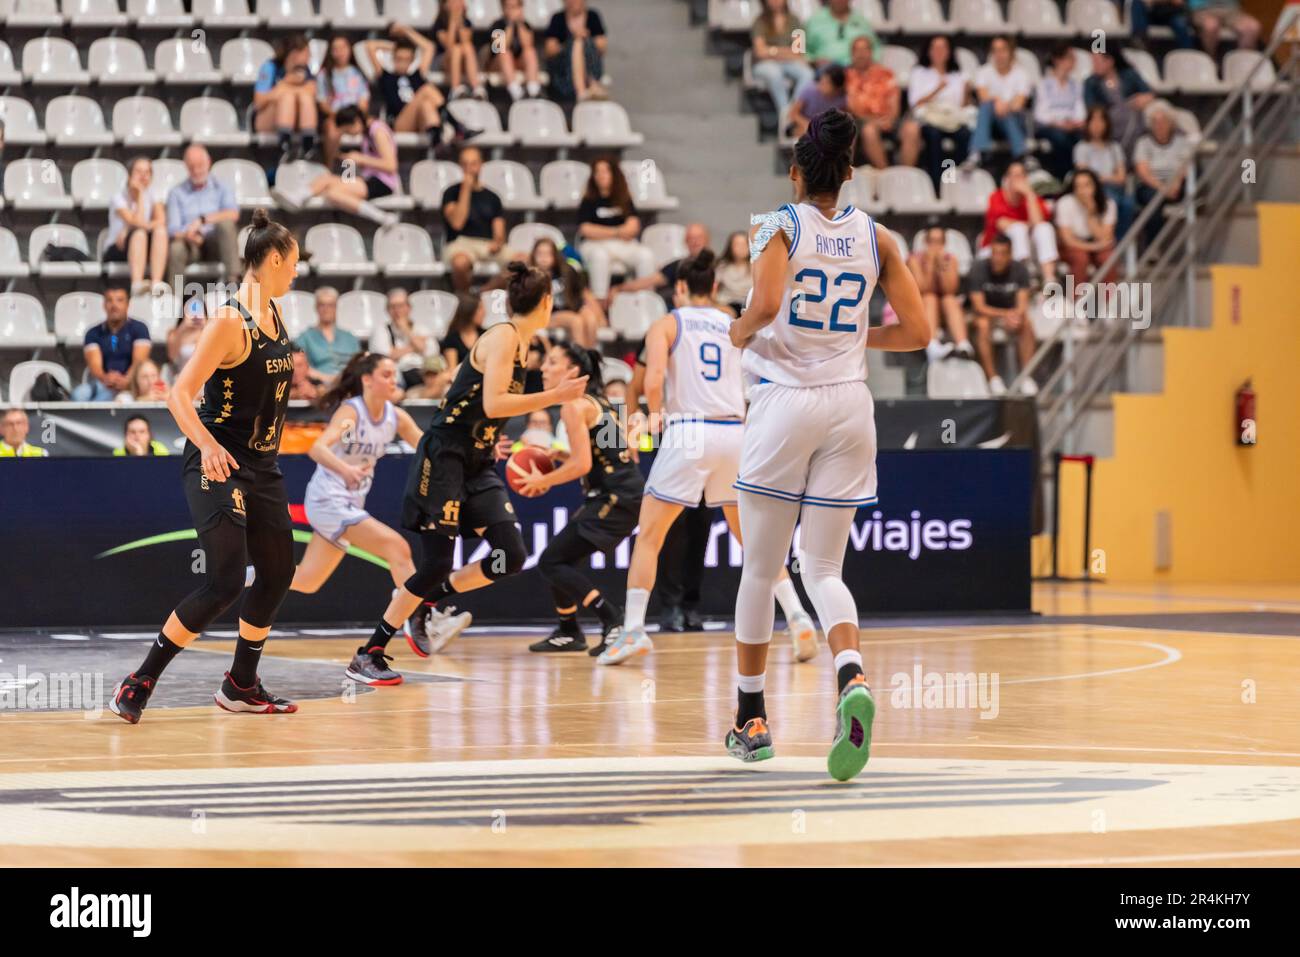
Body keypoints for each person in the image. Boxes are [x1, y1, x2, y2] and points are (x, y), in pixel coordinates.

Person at [723, 108, 929, 780]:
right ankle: (852, 676)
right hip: (850, 405)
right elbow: (919, 331)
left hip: (786, 402)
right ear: (846, 176)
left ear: (795, 173)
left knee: (761, 567)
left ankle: (751, 720)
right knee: (825, 569)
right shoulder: (879, 237)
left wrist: (739, 331)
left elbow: (769, 302)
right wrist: (856, 338)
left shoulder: (777, 224)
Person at [352, 263, 590, 682]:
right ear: (547, 302)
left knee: (511, 555)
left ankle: (426, 605)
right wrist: (553, 395)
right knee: (435, 564)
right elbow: (496, 403)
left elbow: (486, 410)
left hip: (478, 459)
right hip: (445, 457)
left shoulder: (521, 343)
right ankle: (369, 652)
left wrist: (490, 437)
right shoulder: (501, 338)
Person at [109, 209, 301, 724]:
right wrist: (209, 445)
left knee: (280, 569)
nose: (297, 273)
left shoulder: (277, 313)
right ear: (274, 260)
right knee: (226, 580)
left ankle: (241, 683)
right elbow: (178, 393)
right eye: (294, 263)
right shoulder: (229, 319)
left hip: (261, 464)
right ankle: (141, 678)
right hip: (214, 459)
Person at [599, 249, 819, 667]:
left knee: (649, 536)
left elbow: (652, 378)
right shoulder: (734, 324)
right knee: (753, 540)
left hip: (691, 431)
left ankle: (632, 630)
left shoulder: (667, 323)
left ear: (679, 288)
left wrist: (653, 416)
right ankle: (797, 616)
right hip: (736, 432)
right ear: (715, 287)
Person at [286, 352, 460, 678]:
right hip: (328, 499)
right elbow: (318, 448)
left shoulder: (397, 417)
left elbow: (430, 451)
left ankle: (245, 576)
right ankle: (420, 618)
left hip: (347, 503)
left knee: (308, 580)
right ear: (367, 379)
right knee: (397, 549)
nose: (393, 380)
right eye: (385, 374)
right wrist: (346, 469)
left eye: (394, 375)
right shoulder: (352, 412)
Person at [515, 344, 643, 655]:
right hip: (626, 493)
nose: (543, 368)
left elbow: (583, 467)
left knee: (551, 561)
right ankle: (569, 629)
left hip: (613, 497)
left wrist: (542, 480)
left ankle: (613, 620)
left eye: (552, 362)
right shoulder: (603, 403)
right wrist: (561, 454)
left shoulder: (574, 407)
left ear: (573, 372)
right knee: (560, 560)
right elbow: (619, 456)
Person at [275, 104, 400, 227]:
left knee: (331, 192)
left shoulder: (378, 131)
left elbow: (391, 165)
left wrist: (361, 159)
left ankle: (382, 217)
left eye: (347, 130)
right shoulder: (370, 132)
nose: (351, 135)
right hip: (371, 179)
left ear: (355, 121)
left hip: (382, 182)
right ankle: (298, 196)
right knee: (327, 182)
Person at [363, 23, 468, 150]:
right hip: (400, 122)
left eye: (406, 59)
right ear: (393, 58)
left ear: (412, 60)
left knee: (426, 105)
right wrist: (396, 46)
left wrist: (407, 30)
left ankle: (436, 141)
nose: (402, 63)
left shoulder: (416, 75)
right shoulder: (386, 76)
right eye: (398, 58)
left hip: (420, 121)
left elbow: (429, 47)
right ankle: (456, 126)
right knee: (427, 89)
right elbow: (370, 46)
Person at [441, 146, 520, 292]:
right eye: (464, 164)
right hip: (460, 244)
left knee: (522, 263)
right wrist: (466, 189)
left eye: (473, 163)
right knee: (460, 263)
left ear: (481, 164)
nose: (469, 168)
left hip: (487, 245)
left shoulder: (492, 197)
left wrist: (497, 243)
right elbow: (457, 223)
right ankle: (465, 298)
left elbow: (499, 232)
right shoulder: (451, 193)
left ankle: (482, 293)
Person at [576, 157, 655, 299]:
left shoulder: (624, 198)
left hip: (623, 244)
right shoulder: (588, 200)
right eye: (597, 172)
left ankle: (647, 300)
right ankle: (600, 300)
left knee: (645, 255)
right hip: (595, 245)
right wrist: (617, 231)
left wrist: (604, 232)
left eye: (605, 171)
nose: (601, 175)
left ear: (614, 174)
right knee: (599, 256)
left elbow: (633, 226)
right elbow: (586, 229)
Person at [967, 232, 1036, 395]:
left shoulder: (1020, 270)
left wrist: (1014, 316)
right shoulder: (978, 269)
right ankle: (993, 379)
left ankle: (1026, 376)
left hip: (1009, 315)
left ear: (1010, 255)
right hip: (986, 315)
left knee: (1026, 323)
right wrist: (1005, 315)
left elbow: (1022, 304)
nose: (997, 258)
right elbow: (979, 307)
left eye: (1002, 254)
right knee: (982, 325)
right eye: (994, 253)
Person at [165, 145, 240, 283]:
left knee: (227, 225)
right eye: (191, 166)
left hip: (215, 242)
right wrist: (187, 235)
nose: (196, 170)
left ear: (209, 162)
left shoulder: (222, 187)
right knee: (176, 248)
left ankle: (233, 281)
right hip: (191, 245)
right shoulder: (176, 193)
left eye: (200, 165)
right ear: (186, 167)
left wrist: (202, 220)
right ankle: (174, 299)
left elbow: (233, 214)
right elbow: (173, 230)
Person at [846, 36, 919, 170]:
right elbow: (851, 106)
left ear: (871, 52)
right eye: (857, 50)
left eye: (865, 50)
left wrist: (890, 119)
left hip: (889, 119)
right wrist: (872, 120)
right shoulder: (846, 76)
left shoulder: (885, 73)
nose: (861, 54)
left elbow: (894, 101)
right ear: (851, 54)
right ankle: (885, 172)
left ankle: (905, 173)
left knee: (912, 128)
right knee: (869, 131)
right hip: (861, 121)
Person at [909, 35, 971, 191]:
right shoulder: (919, 73)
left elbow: (962, 105)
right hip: (930, 120)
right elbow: (915, 103)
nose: (939, 52)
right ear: (928, 51)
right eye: (935, 48)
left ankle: (954, 181)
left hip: (953, 120)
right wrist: (938, 88)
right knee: (934, 137)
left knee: (964, 135)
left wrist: (967, 92)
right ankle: (937, 184)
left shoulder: (959, 75)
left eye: (943, 47)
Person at [981, 160, 1059, 282]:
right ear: (1007, 178)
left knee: (1045, 228)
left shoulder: (1032, 197)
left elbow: (1039, 223)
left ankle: (1049, 279)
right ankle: (1024, 278)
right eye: (1015, 175)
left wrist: (1029, 194)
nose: (1019, 179)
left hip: (1029, 248)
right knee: (1018, 229)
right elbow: (1003, 224)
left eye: (1022, 175)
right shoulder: (997, 197)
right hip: (998, 248)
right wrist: (1029, 225)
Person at [73, 282, 151, 402]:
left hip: (132, 383)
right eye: (110, 300)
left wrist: (127, 380)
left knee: (104, 400)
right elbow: (95, 366)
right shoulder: (93, 332)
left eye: (119, 300)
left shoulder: (140, 328)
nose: (114, 305)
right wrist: (106, 378)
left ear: (128, 304)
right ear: (104, 305)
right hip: (104, 383)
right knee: (79, 394)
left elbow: (139, 362)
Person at [609, 221, 712, 308]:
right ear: (685, 242)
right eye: (690, 238)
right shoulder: (679, 265)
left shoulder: (718, 266)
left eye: (699, 237)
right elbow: (648, 281)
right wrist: (619, 288)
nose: (694, 242)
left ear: (707, 239)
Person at [910, 226, 974, 364]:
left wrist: (941, 269)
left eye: (939, 241)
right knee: (930, 297)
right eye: (932, 241)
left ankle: (963, 345)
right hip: (921, 308)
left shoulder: (951, 260)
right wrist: (931, 264)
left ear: (944, 244)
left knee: (950, 299)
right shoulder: (914, 260)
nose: (935, 245)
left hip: (943, 311)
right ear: (925, 243)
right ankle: (932, 345)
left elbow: (950, 289)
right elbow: (922, 288)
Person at [104, 156, 168, 296]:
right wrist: (139, 196)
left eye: (147, 172)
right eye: (139, 171)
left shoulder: (153, 194)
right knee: (139, 233)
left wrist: (128, 229)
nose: (143, 176)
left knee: (161, 232)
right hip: (118, 248)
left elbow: (162, 220)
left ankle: (156, 282)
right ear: (129, 175)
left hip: (141, 244)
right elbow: (137, 222)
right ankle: (136, 284)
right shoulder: (118, 198)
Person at [966, 35, 1032, 168]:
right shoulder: (983, 72)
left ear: (1011, 52)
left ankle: (976, 152)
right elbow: (983, 97)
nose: (999, 54)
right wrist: (997, 101)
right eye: (995, 50)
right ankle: (1023, 154)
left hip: (1015, 120)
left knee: (1002, 112)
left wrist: (1002, 105)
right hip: (990, 123)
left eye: (1002, 50)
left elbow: (1019, 104)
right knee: (986, 107)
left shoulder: (1022, 74)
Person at [1133, 106, 1193, 246]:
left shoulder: (1181, 142)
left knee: (1189, 184)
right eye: (1156, 122)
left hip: (1176, 185)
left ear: (1170, 124)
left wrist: (1176, 184)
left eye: (1163, 121)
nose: (1159, 125)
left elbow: (1185, 166)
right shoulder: (1143, 143)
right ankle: (1153, 246)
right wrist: (1162, 188)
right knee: (1153, 201)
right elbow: (1143, 171)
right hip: (1152, 185)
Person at [530, 237, 605, 347]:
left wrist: (598, 314)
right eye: (540, 254)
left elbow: (583, 293)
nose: (544, 258)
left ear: (555, 256)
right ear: (533, 256)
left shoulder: (565, 272)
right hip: (546, 316)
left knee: (590, 319)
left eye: (548, 254)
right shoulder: (531, 278)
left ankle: (590, 358)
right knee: (575, 321)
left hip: (568, 309)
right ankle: (580, 360)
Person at [750, 0, 815, 129]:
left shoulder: (794, 20)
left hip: (788, 62)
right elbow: (760, 52)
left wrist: (772, 51)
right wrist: (786, 52)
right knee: (774, 73)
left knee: (808, 74)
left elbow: (799, 50)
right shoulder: (759, 21)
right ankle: (786, 113)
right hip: (765, 64)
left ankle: (792, 111)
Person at [1073, 105, 1136, 239]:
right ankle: (1109, 240)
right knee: (1110, 199)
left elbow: (1122, 177)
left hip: (1115, 189)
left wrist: (1101, 177)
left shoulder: (1114, 147)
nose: (1097, 125)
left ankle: (1121, 242)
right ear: (1087, 124)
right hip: (1095, 190)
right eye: (1093, 121)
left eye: (1101, 120)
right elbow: (1085, 175)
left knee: (1128, 203)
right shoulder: (1081, 147)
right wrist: (1107, 178)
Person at [253, 33, 318, 158]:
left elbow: (312, 92)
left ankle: (308, 146)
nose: (309, 57)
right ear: (294, 54)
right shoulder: (270, 67)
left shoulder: (306, 71)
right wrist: (285, 84)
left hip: (297, 121)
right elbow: (259, 102)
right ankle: (284, 147)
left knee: (304, 99)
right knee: (287, 98)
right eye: (306, 52)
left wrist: (290, 90)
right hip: (267, 118)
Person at [1083, 46, 1153, 155]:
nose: (1093, 65)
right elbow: (1091, 108)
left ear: (1109, 61)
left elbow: (1148, 93)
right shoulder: (1091, 82)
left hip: (1134, 114)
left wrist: (1143, 98)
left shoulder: (1129, 75)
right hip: (1109, 119)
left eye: (1096, 61)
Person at [1033, 45, 1086, 181]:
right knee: (1061, 139)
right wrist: (1059, 123)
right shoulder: (1044, 84)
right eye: (1069, 58)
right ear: (1057, 60)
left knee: (1083, 138)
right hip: (1049, 127)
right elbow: (1040, 114)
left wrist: (1075, 123)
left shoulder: (1076, 85)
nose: (1073, 62)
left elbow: (1080, 110)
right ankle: (1064, 176)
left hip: (1072, 126)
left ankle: (1079, 175)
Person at [316, 34, 370, 167]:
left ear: (350, 49)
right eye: (336, 48)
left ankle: (350, 176)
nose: (340, 52)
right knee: (332, 129)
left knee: (361, 130)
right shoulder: (324, 75)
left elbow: (364, 101)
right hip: (335, 118)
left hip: (355, 117)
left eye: (343, 48)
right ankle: (330, 168)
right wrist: (340, 116)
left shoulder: (358, 73)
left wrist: (355, 116)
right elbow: (323, 103)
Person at [1055, 169, 1117, 283]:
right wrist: (1094, 247)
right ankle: (1076, 298)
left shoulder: (1109, 204)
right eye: (1078, 186)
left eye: (1086, 185)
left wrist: (1091, 213)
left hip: (1095, 242)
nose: (1082, 190)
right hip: (1072, 246)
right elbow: (1067, 240)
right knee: (1080, 258)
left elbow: (1105, 238)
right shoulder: (1064, 203)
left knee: (1107, 257)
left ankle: (1109, 298)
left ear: (1095, 186)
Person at [544, 0, 609, 101]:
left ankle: (583, 88)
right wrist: (571, 41)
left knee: (582, 42)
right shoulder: (558, 18)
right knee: (576, 42)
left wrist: (585, 37)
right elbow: (549, 50)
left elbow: (602, 47)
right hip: (564, 71)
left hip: (590, 63)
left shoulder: (593, 16)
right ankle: (586, 87)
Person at [369, 288, 432, 387]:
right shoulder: (381, 330)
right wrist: (414, 347)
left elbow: (430, 353)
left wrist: (406, 330)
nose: (397, 310)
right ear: (387, 310)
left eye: (401, 306)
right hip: (397, 378)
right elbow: (383, 358)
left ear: (409, 307)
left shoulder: (422, 329)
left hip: (422, 373)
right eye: (393, 307)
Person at [297, 287, 361, 381]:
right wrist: (328, 379)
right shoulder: (305, 337)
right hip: (317, 384)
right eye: (322, 305)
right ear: (316, 307)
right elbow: (299, 366)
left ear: (336, 307)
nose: (326, 309)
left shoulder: (350, 338)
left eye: (331, 305)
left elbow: (359, 365)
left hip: (348, 384)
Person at [490, 0, 544, 100]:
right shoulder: (497, 24)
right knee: (505, 53)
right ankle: (516, 93)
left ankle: (533, 91)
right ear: (503, 8)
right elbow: (500, 47)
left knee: (530, 51)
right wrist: (510, 24)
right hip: (498, 63)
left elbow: (527, 44)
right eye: (510, 7)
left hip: (518, 63)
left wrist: (519, 24)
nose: (513, 10)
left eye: (515, 7)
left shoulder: (525, 25)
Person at [435, 0, 487, 100]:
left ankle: (477, 88)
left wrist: (460, 22)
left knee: (467, 47)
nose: (459, 3)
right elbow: (449, 45)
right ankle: (455, 89)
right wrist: (453, 22)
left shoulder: (467, 23)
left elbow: (465, 40)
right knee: (456, 49)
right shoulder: (439, 23)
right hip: (444, 61)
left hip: (463, 60)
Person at [803, 0, 878, 68]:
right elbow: (803, 51)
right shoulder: (814, 21)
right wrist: (814, 61)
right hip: (825, 71)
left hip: (857, 70)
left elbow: (876, 49)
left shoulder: (862, 21)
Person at [787, 63, 847, 140]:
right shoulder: (809, 90)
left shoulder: (842, 99)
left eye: (827, 83)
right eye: (822, 80)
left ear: (837, 88)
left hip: (826, 129)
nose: (821, 84)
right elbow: (793, 113)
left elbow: (841, 118)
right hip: (804, 125)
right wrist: (806, 123)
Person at [1187, 0, 1260, 58]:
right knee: (1211, 26)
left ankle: (1241, 63)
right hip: (1203, 8)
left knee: (1252, 27)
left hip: (1230, 9)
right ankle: (1211, 61)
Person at [1130, 0, 1197, 51]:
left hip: (1172, 13)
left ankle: (1188, 53)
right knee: (1136, 3)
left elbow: (1178, 2)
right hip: (1154, 13)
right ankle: (1139, 40)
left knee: (1179, 23)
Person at [440, 292, 484, 368]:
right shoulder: (452, 338)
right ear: (469, 311)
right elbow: (452, 369)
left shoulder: (486, 334)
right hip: (460, 377)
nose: (484, 312)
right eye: (480, 309)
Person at [168, 295, 207, 377]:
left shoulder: (208, 331)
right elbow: (172, 358)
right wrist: (183, 328)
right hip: (181, 377)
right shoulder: (174, 333)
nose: (195, 316)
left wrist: (206, 325)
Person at [716, 231, 753, 314]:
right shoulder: (722, 266)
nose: (741, 248)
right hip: (725, 305)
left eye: (744, 245)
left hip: (748, 307)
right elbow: (714, 288)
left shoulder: (756, 267)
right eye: (737, 245)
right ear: (730, 247)